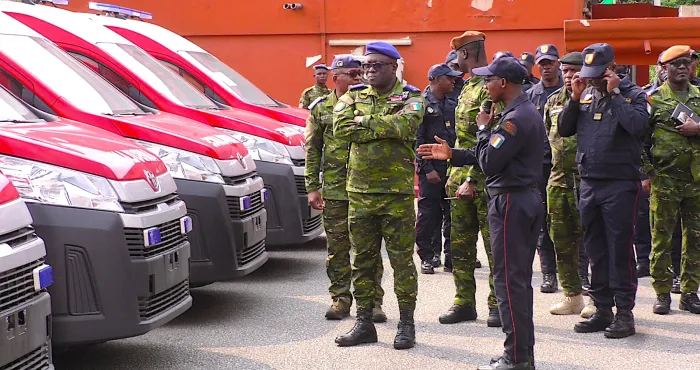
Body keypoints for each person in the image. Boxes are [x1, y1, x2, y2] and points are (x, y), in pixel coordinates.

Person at [418, 55, 544, 370]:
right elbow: (485, 155)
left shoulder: (514, 118)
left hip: (511, 202)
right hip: (519, 198)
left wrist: (484, 129)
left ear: (503, 83)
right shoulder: (517, 112)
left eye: (488, 79)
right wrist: (453, 154)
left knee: (508, 281)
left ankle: (516, 358)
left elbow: (489, 162)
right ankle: (521, 354)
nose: (484, 84)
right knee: (516, 280)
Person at [333, 41, 423, 350]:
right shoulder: (353, 95)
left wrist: (364, 121)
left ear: (393, 67)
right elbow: (341, 129)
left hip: (395, 194)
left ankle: (407, 324)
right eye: (366, 66)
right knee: (363, 262)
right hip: (359, 193)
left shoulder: (411, 97)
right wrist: (384, 125)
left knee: (402, 263)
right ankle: (364, 323)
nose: (369, 70)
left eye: (376, 65)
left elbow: (407, 125)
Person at [559, 43, 648, 339]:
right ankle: (602, 309)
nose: (593, 80)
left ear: (612, 69)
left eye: (598, 75)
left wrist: (614, 94)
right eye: (590, 75)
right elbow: (564, 129)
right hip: (589, 182)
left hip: (620, 184)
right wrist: (573, 97)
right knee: (595, 250)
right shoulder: (584, 94)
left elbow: (636, 126)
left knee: (619, 250)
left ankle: (625, 313)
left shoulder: (633, 95)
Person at [304, 56, 387, 322]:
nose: (359, 78)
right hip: (336, 190)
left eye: (360, 73)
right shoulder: (320, 107)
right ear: (335, 77)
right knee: (337, 249)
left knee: (368, 248)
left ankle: (373, 301)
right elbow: (312, 149)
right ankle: (340, 298)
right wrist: (312, 187)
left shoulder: (370, 103)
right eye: (352, 73)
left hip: (366, 188)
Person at [440, 31, 500, 329]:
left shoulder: (489, 88)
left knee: (493, 248)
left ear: (465, 53)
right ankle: (464, 302)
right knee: (461, 246)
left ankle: (496, 305)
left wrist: (473, 180)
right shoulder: (466, 87)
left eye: (458, 56)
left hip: (483, 183)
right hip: (457, 179)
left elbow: (488, 141)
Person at [644, 45, 700, 315]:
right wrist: (647, 173)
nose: (681, 68)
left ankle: (690, 293)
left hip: (696, 181)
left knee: (695, 239)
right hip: (664, 181)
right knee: (661, 239)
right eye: (675, 64)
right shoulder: (652, 100)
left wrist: (697, 128)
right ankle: (663, 293)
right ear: (663, 69)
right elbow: (639, 141)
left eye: (685, 63)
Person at [542, 52, 591, 317]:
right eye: (566, 71)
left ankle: (597, 297)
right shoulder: (553, 101)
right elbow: (547, 138)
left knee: (593, 242)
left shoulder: (594, 97)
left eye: (575, 71)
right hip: (558, 179)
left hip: (588, 180)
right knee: (561, 240)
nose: (570, 76)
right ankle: (573, 295)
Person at [526, 44, 564, 295]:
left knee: (570, 220)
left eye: (550, 62)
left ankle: (578, 273)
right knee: (542, 221)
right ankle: (549, 273)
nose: (546, 67)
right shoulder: (531, 95)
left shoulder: (569, 91)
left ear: (558, 64)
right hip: (539, 166)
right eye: (542, 63)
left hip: (565, 166)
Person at [415, 64, 460, 274]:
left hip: (450, 167)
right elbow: (417, 139)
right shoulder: (420, 104)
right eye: (449, 78)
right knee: (428, 215)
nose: (453, 81)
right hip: (431, 168)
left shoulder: (452, 104)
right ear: (436, 79)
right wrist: (427, 169)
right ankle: (427, 256)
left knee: (452, 212)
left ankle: (450, 256)